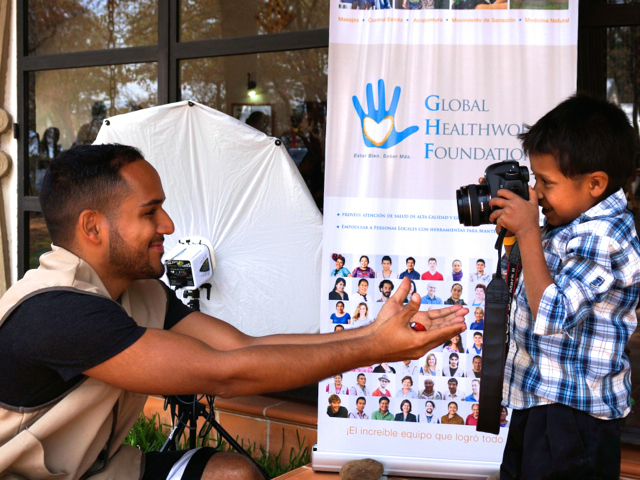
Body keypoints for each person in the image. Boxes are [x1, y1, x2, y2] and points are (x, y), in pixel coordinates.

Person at [0, 144, 470, 479]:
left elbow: (243, 347)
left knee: (232, 474)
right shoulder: (57, 310)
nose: (169, 224)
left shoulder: (136, 293)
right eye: (150, 212)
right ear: (93, 227)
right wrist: (375, 349)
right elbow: (224, 373)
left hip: (101, 468)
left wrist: (375, 331)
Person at [488, 96, 640, 480]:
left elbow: (553, 311)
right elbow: (526, 281)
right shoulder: (568, 226)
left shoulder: (605, 238)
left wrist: (527, 233)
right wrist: (515, 231)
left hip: (574, 419)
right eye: (534, 180)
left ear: (595, 184)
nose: (536, 193)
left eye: (546, 182)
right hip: (540, 400)